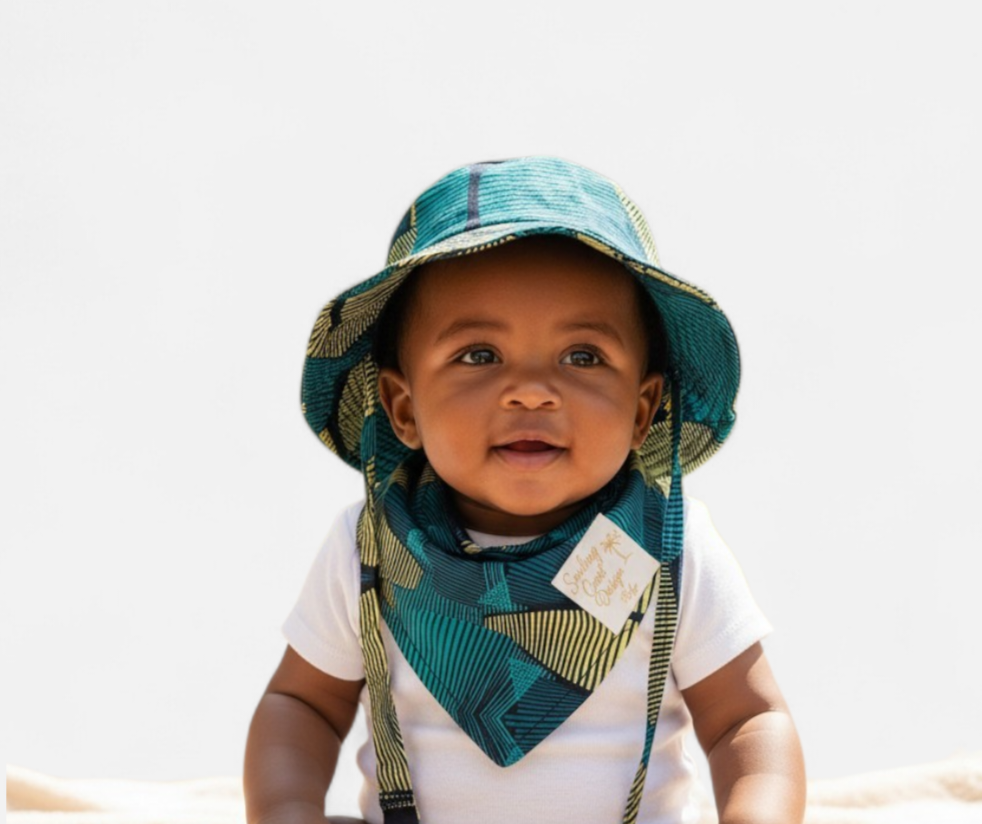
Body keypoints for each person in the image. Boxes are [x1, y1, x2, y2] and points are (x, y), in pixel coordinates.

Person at [243, 157, 806, 824]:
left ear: (642, 410)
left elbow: (749, 717)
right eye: (479, 355)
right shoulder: (370, 548)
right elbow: (301, 705)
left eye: (583, 357)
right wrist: (287, 807)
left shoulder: (667, 549)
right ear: (402, 407)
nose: (532, 390)